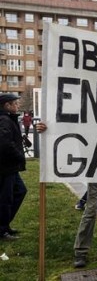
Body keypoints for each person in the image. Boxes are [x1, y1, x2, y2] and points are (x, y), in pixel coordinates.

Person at [36, 122, 97, 268]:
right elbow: (69, 126)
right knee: (91, 208)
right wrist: (48, 128)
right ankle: (81, 250)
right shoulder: (90, 114)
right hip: (95, 165)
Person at [0, 93, 27, 240]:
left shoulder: (8, 119)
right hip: (6, 167)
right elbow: (5, 143)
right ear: (7, 106)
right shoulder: (4, 120)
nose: (18, 106)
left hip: (10, 167)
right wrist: (19, 156)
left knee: (20, 191)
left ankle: (5, 225)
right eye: (15, 104)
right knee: (6, 198)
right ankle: (2, 230)